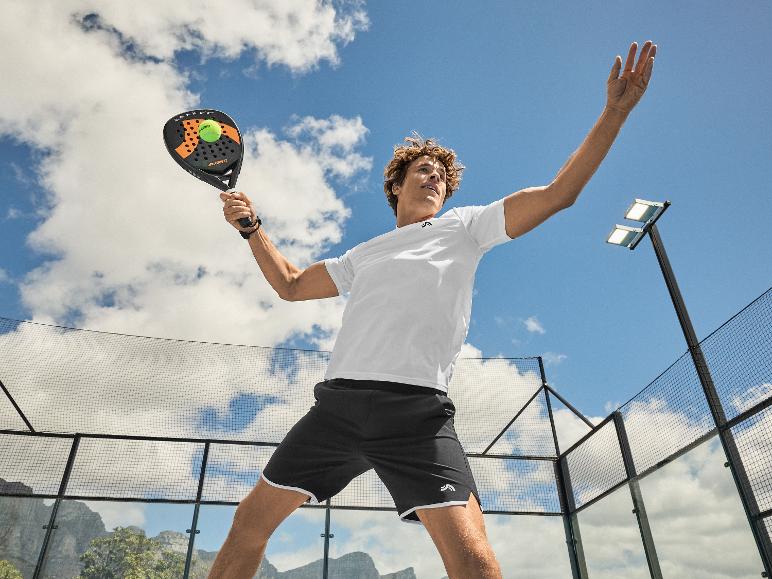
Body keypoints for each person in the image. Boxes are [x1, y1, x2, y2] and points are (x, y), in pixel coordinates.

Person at [209, 40, 657, 579]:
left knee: (474, 560)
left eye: (442, 175)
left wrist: (615, 112)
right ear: (396, 185)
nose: (435, 178)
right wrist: (252, 229)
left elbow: (559, 193)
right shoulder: (363, 254)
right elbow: (291, 284)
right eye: (423, 170)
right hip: (338, 409)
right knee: (248, 525)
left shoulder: (465, 227)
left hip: (417, 415)